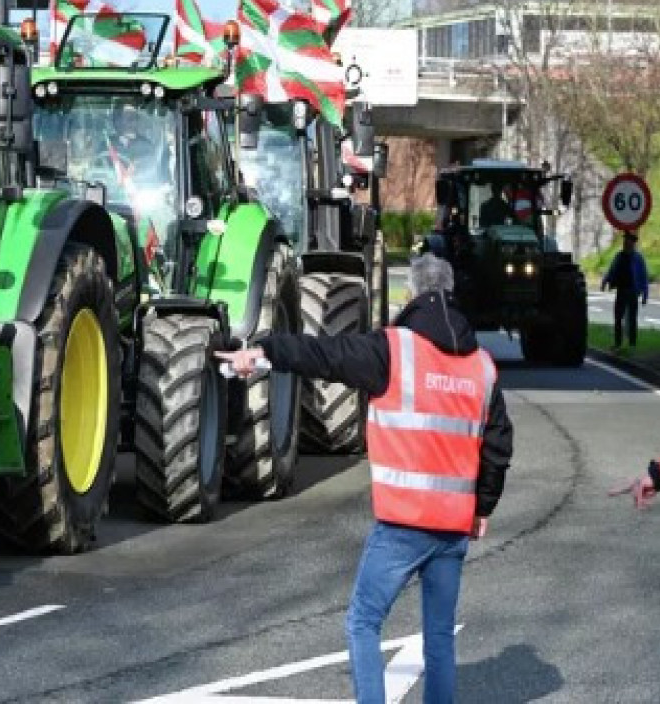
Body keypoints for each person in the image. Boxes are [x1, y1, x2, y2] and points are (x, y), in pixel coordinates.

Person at [216, 253, 514, 704]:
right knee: (439, 636)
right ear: (451, 294)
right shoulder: (483, 367)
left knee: (363, 621)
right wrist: (483, 507)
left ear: (411, 295)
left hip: (402, 526)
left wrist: (264, 353)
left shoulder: (394, 350)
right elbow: (498, 446)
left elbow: (325, 355)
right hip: (453, 527)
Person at [602, 231, 649, 350]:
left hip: (633, 291)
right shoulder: (619, 256)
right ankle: (617, 343)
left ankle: (632, 343)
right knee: (618, 317)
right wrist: (605, 281)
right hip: (621, 290)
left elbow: (644, 276)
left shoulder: (638, 258)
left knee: (632, 318)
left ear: (633, 243)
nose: (625, 243)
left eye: (628, 241)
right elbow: (612, 269)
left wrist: (645, 295)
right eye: (625, 240)